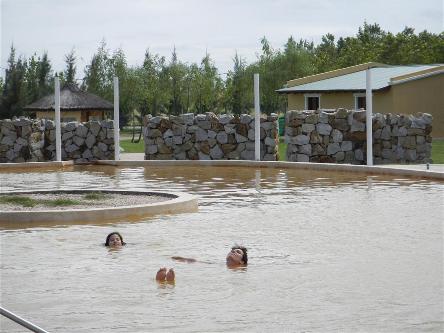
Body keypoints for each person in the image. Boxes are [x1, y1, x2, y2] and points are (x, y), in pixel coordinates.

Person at [171, 245, 248, 267]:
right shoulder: (217, 265)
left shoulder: (242, 270)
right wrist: (181, 259)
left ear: (242, 262)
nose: (233, 252)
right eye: (231, 251)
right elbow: (196, 261)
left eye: (238, 252)